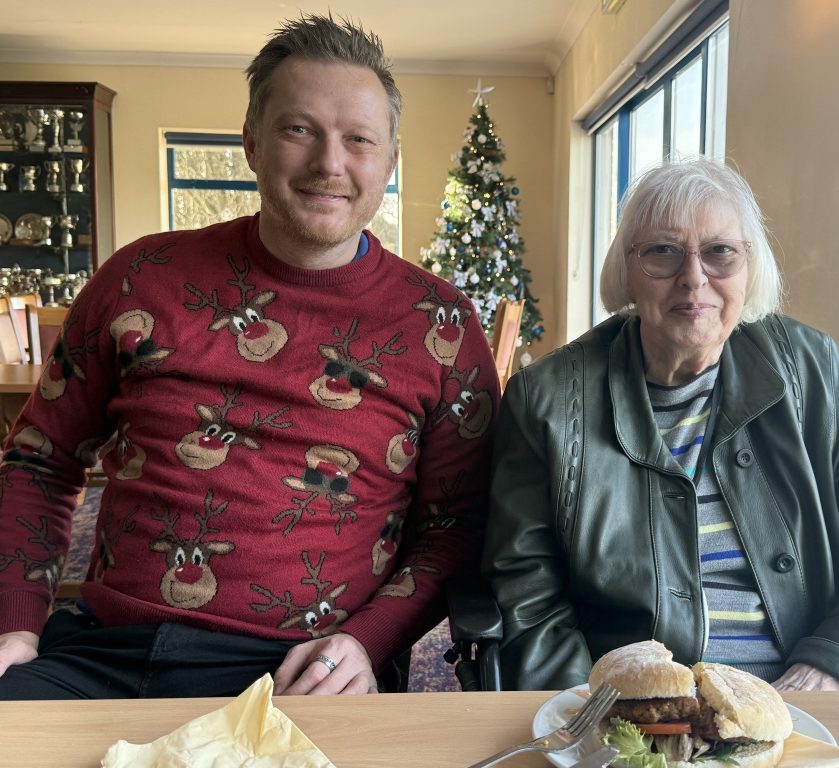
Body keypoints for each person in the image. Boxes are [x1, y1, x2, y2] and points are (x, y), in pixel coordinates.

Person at [0, 14, 499, 699]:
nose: (330, 162)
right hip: (102, 653)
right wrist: (15, 624)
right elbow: (40, 459)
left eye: (358, 139)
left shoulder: (441, 325)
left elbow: (457, 527)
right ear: (250, 144)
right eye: (300, 129)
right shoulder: (138, 278)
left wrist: (366, 642)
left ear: (387, 161)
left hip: (306, 673)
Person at [482, 157, 839, 692]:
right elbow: (527, 589)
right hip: (639, 712)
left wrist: (836, 664)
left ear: (748, 267)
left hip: (802, 700)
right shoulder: (547, 401)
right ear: (626, 270)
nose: (693, 278)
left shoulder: (806, 370)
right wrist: (595, 714)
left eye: (720, 252)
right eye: (661, 251)